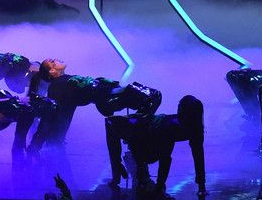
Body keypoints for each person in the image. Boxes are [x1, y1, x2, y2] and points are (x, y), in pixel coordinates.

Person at [27, 58, 161, 154]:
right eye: (52, 61)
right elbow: (51, 117)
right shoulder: (57, 87)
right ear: (51, 71)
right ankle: (136, 137)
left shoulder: (65, 80)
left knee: (153, 97)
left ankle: (135, 135)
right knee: (152, 96)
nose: (56, 59)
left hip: (111, 92)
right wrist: (37, 144)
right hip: (109, 96)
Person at [106, 95, 207, 200]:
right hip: (143, 130)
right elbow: (169, 159)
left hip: (146, 134)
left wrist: (201, 185)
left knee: (113, 124)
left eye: (179, 107)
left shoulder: (186, 128)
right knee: (112, 123)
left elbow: (194, 157)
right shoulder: (183, 126)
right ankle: (121, 172)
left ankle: (124, 173)